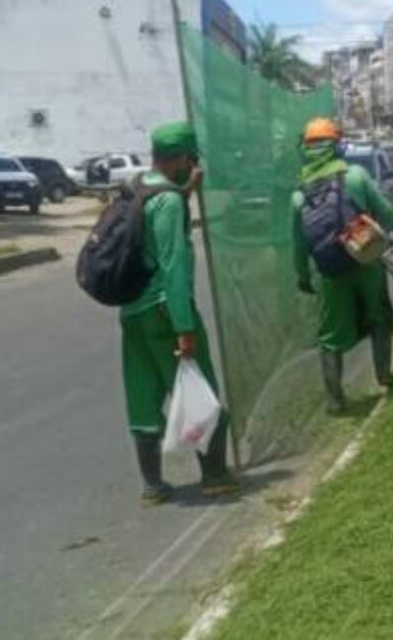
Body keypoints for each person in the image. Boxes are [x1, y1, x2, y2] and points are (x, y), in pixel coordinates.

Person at [118, 120, 237, 505]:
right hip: (165, 313)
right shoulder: (169, 201)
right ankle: (216, 477)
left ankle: (153, 486)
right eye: (191, 159)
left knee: (143, 395)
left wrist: (186, 192)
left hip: (132, 312)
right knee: (202, 392)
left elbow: (156, 222)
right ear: (184, 158)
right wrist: (184, 327)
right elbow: (172, 267)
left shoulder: (139, 187)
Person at [293, 117, 393, 414]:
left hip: (330, 271)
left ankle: (335, 400)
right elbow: (387, 213)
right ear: (338, 146)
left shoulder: (299, 194)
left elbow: (299, 246)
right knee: (378, 316)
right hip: (366, 259)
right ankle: (384, 375)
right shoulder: (355, 176)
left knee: (330, 337)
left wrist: (304, 278)